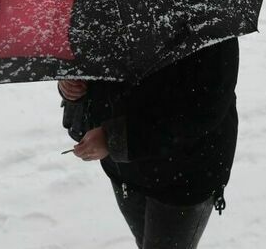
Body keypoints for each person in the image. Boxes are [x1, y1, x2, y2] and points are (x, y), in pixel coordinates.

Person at [58, 38, 239, 248]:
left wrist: (114, 138)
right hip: (125, 170)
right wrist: (72, 85)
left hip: (184, 177)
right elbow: (90, 62)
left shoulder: (205, 17)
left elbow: (203, 108)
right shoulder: (102, 7)